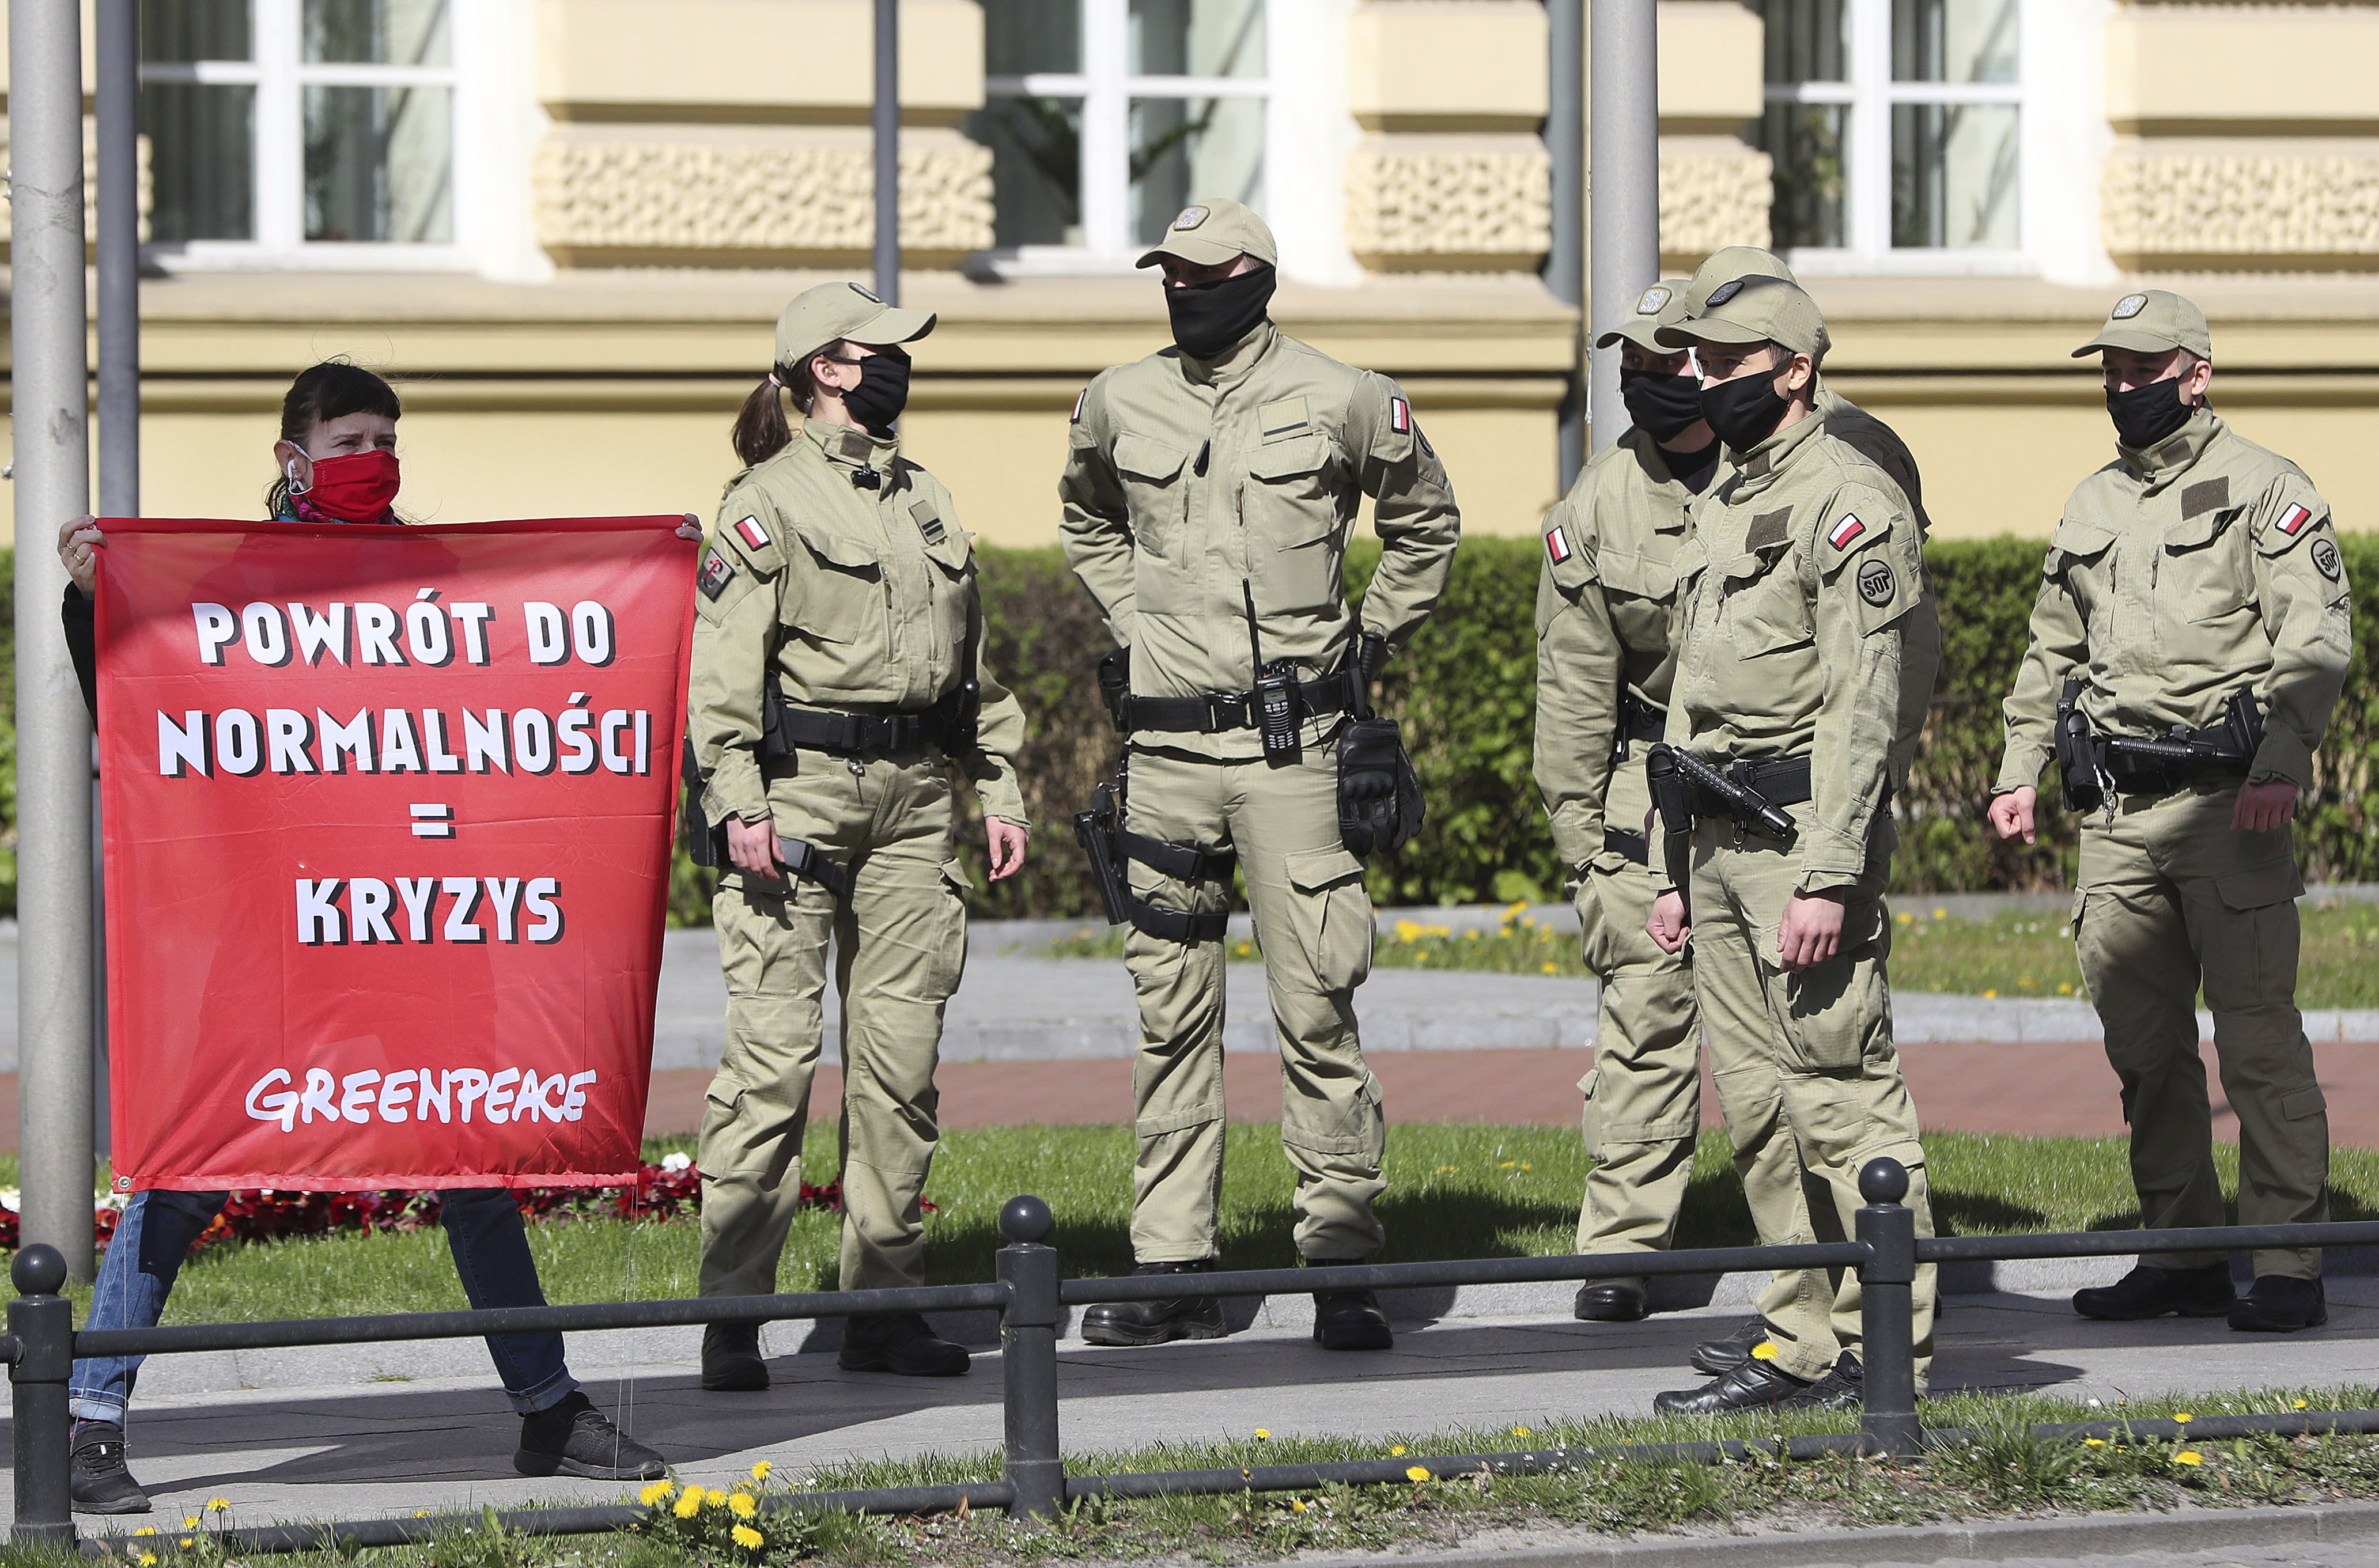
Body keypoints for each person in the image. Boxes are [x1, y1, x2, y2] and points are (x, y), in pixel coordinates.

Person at [54, 361, 667, 1515]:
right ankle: (90, 1422)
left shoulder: (433, 575)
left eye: (388, 436)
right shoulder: (234, 580)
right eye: (349, 438)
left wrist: (647, 569)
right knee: (189, 1163)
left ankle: (548, 1410)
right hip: (274, 935)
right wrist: (97, 602)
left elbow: (514, 698)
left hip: (415, 917)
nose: (374, 457)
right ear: (293, 458)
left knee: (470, 1157)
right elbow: (148, 721)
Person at [1058, 198, 1460, 1350]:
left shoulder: (1343, 396)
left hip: (1294, 756)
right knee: (1169, 1017)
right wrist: (1137, 621)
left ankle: (1340, 1261)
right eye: (1167, 272)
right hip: (1168, 756)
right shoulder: (1115, 400)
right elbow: (1088, 521)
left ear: (1258, 275)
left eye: (1204, 271)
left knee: (1317, 1008)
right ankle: (1173, 1264)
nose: (1183, 288)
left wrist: (1368, 636)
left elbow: (1427, 523)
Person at [686, 282, 1031, 1391]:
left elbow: (972, 669)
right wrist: (737, 803)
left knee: (900, 1067)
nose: (899, 365)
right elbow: (721, 680)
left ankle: (879, 1309)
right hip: (798, 799)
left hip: (916, 801)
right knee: (771, 1068)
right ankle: (733, 1316)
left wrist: (1002, 787)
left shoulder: (925, 496)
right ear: (826, 368)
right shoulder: (764, 503)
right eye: (881, 350)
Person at [1989, 290, 2349, 1334]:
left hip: (2228, 809)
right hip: (2113, 816)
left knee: (2256, 1043)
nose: (2123, 387)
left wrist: (2281, 762)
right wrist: (2018, 767)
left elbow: (2315, 637)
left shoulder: (2263, 489)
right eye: (2110, 369)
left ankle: (2286, 1261)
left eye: (2144, 370)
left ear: (2197, 373)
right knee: (2144, 1052)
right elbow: (2048, 650)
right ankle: (2183, 1251)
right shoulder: (2092, 502)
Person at [1640, 277, 1940, 1412]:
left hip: (1797, 842)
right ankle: (1798, 1336)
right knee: (1760, 1108)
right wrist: (1674, 865)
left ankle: (1888, 1354)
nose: (1707, 379)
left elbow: (1863, 709)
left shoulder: (1849, 502)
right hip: (1716, 843)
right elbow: (1691, 701)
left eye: (1731, 361)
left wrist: (1828, 871)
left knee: (1845, 1098)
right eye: (1700, 363)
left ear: (1797, 368)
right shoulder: (1726, 496)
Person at [1532, 279, 1811, 1325]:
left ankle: (1815, 1241)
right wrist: (1581, 837)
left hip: (1774, 784)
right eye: (1632, 370)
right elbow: (1571, 686)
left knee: (1791, 1023)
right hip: (1646, 789)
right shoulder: (1597, 503)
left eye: (1667, 366)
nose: (1646, 385)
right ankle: (1619, 1246)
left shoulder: (1794, 470)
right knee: (1644, 1021)